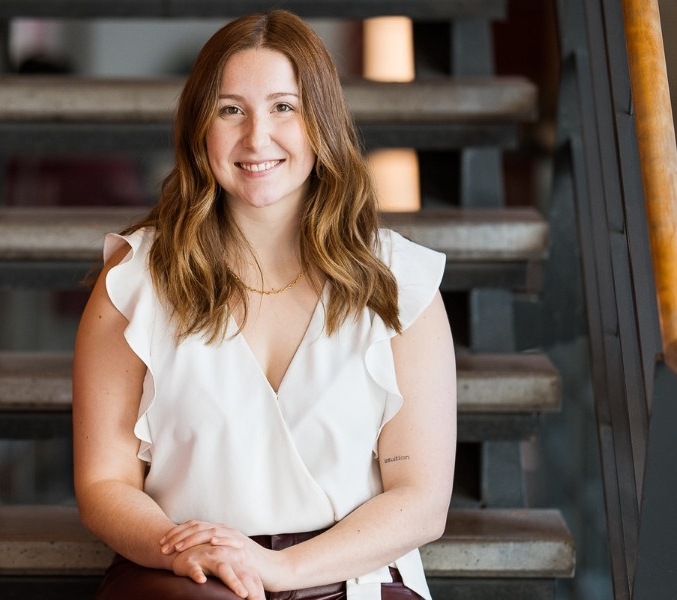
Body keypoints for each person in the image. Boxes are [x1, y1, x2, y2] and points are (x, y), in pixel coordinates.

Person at [72, 10, 456, 600]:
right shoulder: (135, 281)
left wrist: (280, 570)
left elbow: (421, 502)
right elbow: (105, 482)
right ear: (201, 125)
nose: (257, 137)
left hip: (350, 578)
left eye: (285, 107)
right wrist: (184, 551)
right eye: (231, 109)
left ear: (320, 122)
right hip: (184, 576)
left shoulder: (400, 282)